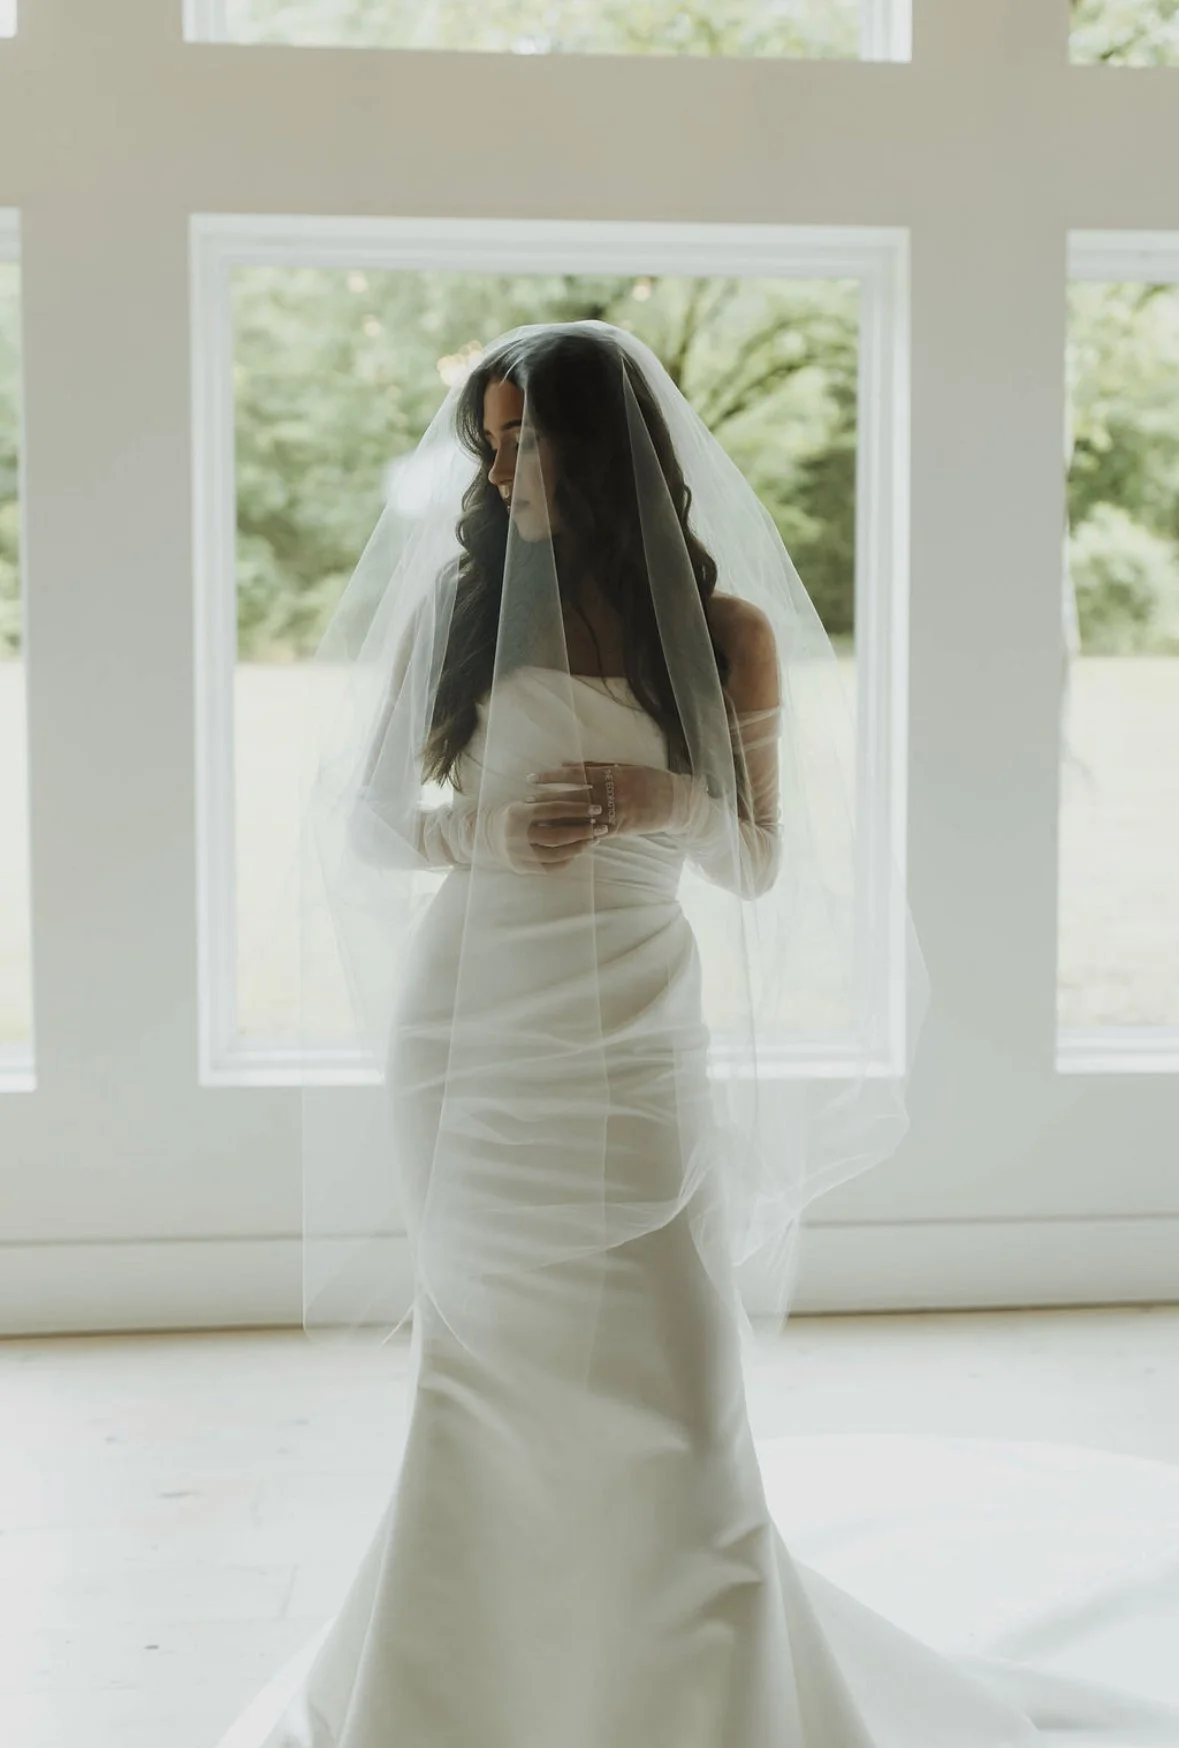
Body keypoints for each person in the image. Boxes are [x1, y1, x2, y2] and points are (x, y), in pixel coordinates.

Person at [214, 323, 1179, 1748]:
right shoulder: (463, 617)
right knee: (482, 1367)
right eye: (491, 445)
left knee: (672, 1373)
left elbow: (757, 865)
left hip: (634, 1026)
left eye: (525, 442)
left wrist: (661, 803)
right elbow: (363, 826)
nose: (501, 471)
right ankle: (458, 1692)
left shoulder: (726, 636)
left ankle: (702, 1692)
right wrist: (481, 831)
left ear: (601, 452)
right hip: (468, 1033)